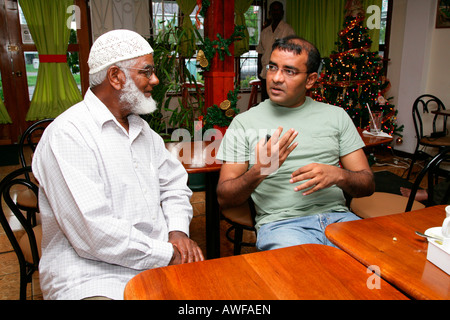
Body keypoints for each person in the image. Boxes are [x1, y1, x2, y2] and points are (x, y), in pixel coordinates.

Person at [32, 29, 204, 300]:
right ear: (115, 76)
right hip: (91, 276)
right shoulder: (68, 134)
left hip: (156, 263)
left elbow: (174, 186)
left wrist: (178, 231)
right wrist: (168, 253)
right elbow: (94, 232)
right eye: (146, 72)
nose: (155, 80)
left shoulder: (143, 131)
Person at [216, 36, 375, 251]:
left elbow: (367, 185)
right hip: (283, 226)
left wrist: (339, 175)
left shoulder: (336, 116)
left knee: (374, 272)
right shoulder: (243, 123)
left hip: (340, 220)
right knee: (306, 278)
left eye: (289, 71)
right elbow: (224, 197)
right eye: (272, 68)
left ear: (310, 80)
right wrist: (259, 170)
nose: (276, 78)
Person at [256, 1, 296, 101]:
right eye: (273, 10)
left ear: (282, 13)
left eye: (278, 10)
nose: (275, 12)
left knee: (279, 101)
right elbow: (260, 52)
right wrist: (259, 70)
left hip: (281, 75)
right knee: (266, 101)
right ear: (270, 12)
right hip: (266, 73)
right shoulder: (265, 32)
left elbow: (293, 54)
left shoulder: (288, 30)